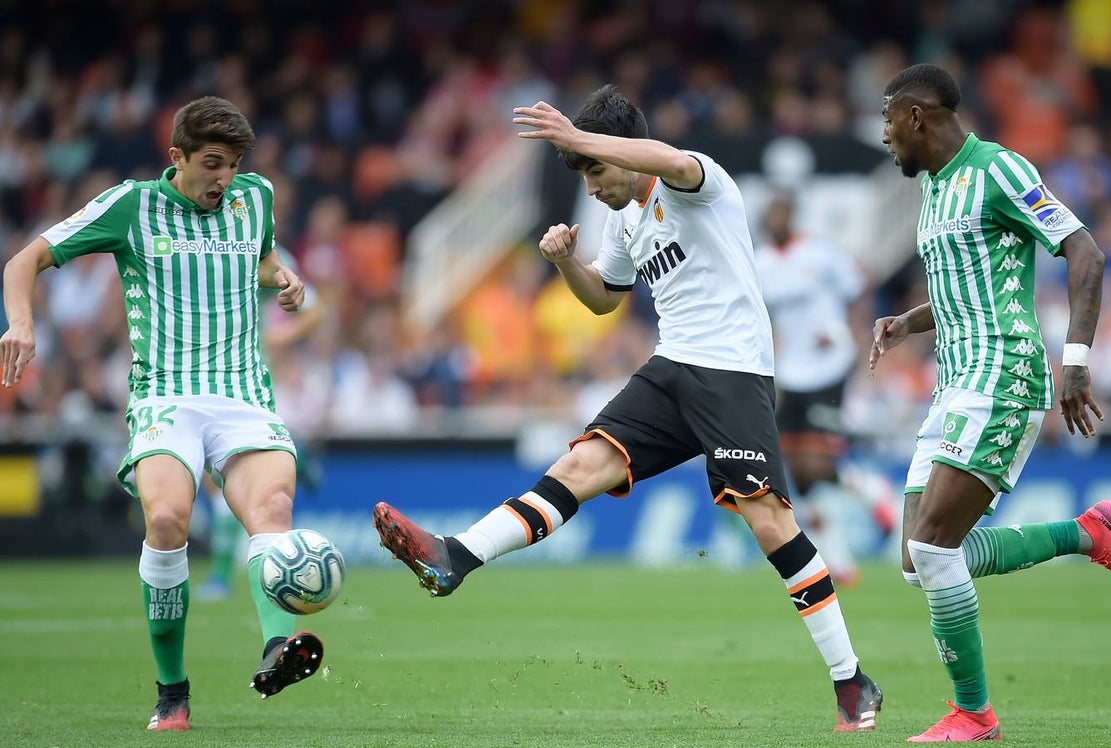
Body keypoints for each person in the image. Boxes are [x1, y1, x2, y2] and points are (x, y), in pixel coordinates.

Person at [374, 85, 884, 733]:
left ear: (621, 150)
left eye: (595, 170)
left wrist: (577, 137)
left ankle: (851, 681)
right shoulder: (621, 220)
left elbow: (668, 160)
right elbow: (604, 299)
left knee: (770, 526)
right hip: (671, 369)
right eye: (583, 175)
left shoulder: (697, 182)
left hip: (731, 372)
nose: (591, 187)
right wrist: (567, 263)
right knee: (579, 467)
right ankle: (455, 557)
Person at [0, 96, 325, 732]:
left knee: (272, 510)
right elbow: (24, 259)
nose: (225, 177)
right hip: (167, 395)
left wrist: (282, 277)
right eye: (213, 163)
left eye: (234, 164)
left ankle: (278, 647)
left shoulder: (255, 197)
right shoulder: (131, 205)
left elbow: (259, 258)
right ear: (177, 157)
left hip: (242, 393)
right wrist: (21, 323)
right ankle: (172, 692)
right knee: (170, 520)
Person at [871, 63, 1111, 742]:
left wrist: (1074, 360)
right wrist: (908, 321)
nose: (884, 135)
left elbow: (1085, 253)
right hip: (954, 383)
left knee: (934, 548)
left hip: (1002, 376)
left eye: (888, 119)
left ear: (915, 115)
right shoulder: (935, 187)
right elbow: (963, 285)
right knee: (916, 560)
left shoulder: (998, 169)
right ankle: (1087, 534)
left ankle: (974, 713)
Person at [754, 189, 894, 585]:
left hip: (829, 365)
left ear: (792, 216)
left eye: (781, 213)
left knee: (817, 462)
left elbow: (859, 288)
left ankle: (876, 492)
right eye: (770, 215)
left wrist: (850, 334)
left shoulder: (820, 254)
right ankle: (839, 561)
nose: (775, 221)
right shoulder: (761, 263)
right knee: (796, 471)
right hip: (790, 372)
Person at [198, 245, 325, 602]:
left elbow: (315, 309)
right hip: (199, 383)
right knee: (217, 483)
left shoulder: (262, 252)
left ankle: (221, 575)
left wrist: (281, 336)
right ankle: (296, 453)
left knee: (226, 480)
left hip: (246, 386)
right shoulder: (196, 246)